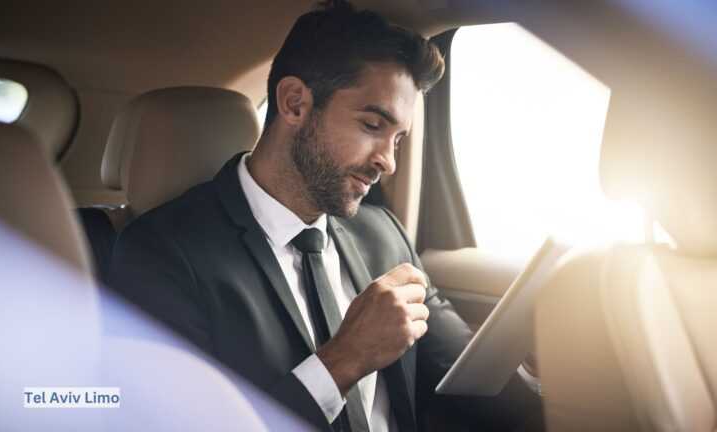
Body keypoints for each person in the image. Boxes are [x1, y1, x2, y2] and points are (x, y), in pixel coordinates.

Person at [109, 1, 540, 430]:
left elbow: (476, 388)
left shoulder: (383, 234)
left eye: (398, 139)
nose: (388, 162)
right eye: (372, 126)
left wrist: (560, 339)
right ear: (295, 103)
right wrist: (346, 357)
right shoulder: (160, 253)